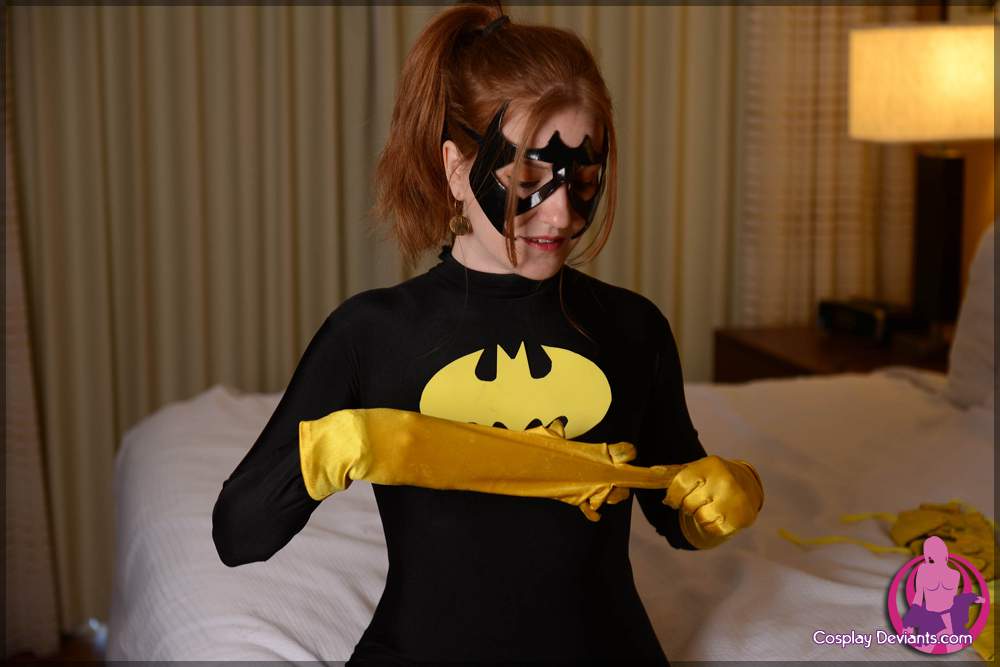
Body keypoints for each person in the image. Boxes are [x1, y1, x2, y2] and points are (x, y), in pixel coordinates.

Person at [212, 4, 763, 662]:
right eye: (527, 180)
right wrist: (328, 451)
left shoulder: (631, 327)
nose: (561, 214)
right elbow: (238, 535)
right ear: (455, 168)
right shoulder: (373, 333)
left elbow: (673, 511)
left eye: (584, 179)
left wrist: (719, 503)